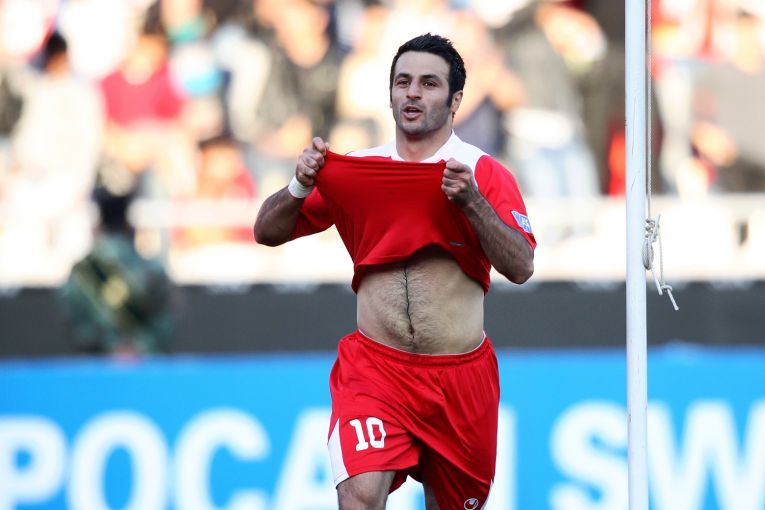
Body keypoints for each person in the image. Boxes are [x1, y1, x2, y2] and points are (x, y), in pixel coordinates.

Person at [254, 33, 535, 509]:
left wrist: (473, 203)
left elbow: (521, 265)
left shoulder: (482, 173)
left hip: (459, 381)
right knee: (359, 497)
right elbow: (266, 231)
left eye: (429, 83)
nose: (413, 93)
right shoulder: (359, 170)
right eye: (403, 82)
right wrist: (299, 184)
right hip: (377, 372)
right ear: (389, 95)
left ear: (456, 100)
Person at [58, 185, 173, 357]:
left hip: (96, 366)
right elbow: (165, 322)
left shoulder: (80, 273)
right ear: (129, 225)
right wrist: (141, 347)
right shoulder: (153, 269)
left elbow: (77, 326)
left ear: (98, 226)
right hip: (146, 366)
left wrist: (111, 348)